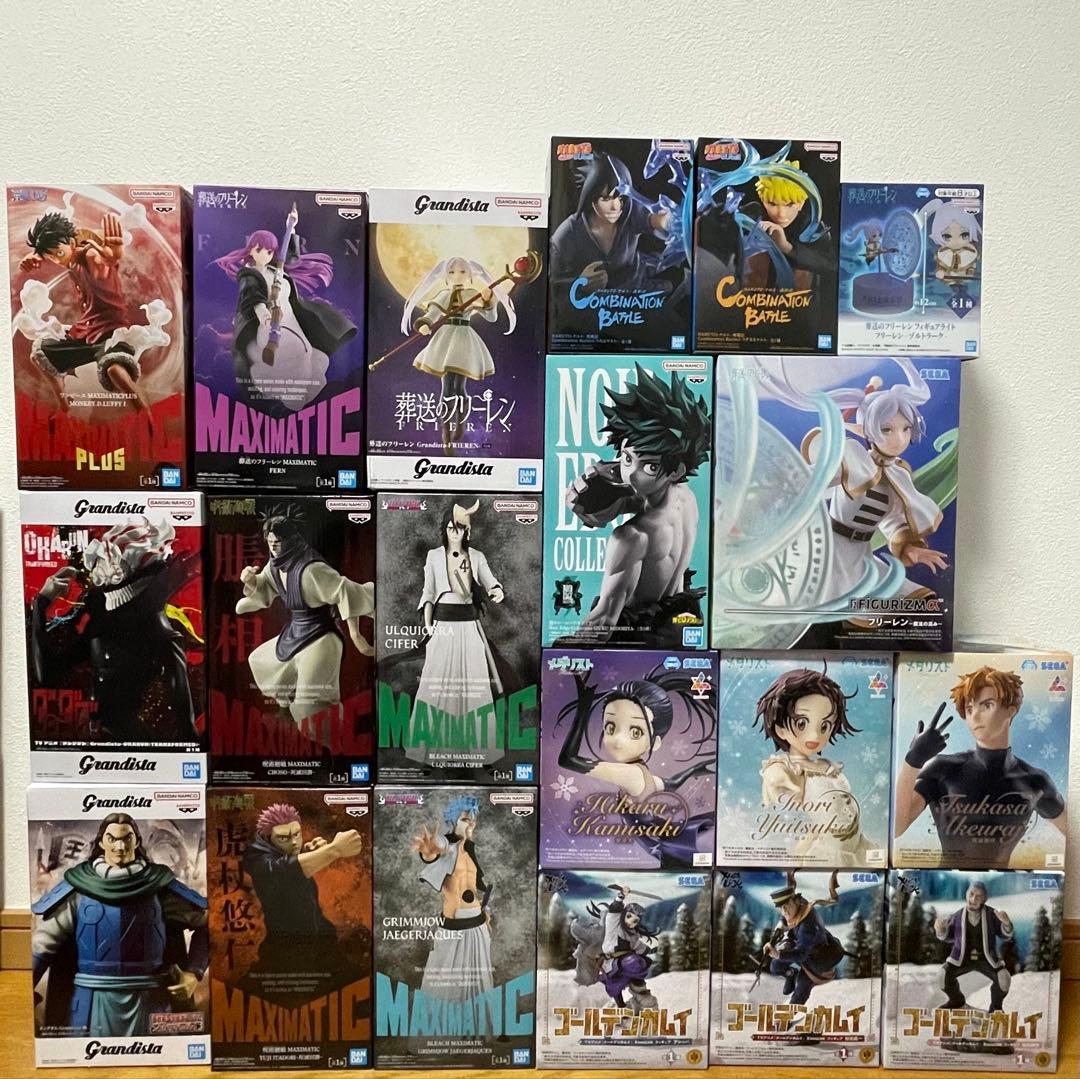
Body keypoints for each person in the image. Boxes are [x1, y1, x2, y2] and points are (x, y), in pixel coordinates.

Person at [563, 366, 711, 646]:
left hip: (637, 636)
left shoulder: (630, 538)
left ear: (676, 470)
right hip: (679, 622)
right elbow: (627, 501)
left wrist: (565, 653)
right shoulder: (686, 497)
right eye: (627, 458)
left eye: (650, 466)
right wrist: (594, 499)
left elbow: (604, 621)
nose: (631, 474)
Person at [31, 813, 207, 1037]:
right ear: (102, 842)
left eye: (126, 839)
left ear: (136, 841)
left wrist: (193, 973)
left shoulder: (160, 887)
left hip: (151, 998)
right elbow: (43, 945)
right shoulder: (77, 888)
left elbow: (207, 926)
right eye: (112, 839)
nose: (120, 846)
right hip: (91, 1001)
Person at [30, 516, 199, 741]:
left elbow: (186, 731)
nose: (94, 566)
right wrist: (41, 604)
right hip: (97, 742)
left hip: (134, 743)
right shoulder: (103, 620)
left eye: (103, 559)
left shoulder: (160, 635)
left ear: (122, 569)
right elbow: (47, 674)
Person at [893, 666, 1066, 866]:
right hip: (945, 880)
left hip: (1004, 881)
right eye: (969, 709)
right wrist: (913, 761)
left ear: (1010, 710)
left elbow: (1071, 832)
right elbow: (896, 828)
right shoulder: (943, 769)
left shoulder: (1035, 781)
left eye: (987, 705)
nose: (975, 716)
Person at [554, 667, 715, 866]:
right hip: (662, 838)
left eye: (636, 732)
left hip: (664, 840)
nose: (618, 740)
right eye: (610, 727)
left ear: (655, 742)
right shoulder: (641, 772)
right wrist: (693, 770)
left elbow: (567, 760)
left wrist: (583, 709)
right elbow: (670, 783)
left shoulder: (631, 774)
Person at [236, 504, 374, 733]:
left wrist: (356, 635)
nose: (273, 547)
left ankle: (334, 742)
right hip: (296, 630)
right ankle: (286, 709)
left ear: (291, 540)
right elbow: (265, 586)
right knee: (260, 661)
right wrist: (250, 581)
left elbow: (345, 591)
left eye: (278, 542)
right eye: (269, 542)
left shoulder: (311, 569)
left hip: (322, 636)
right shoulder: (275, 565)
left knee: (312, 703)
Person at [213, 205, 356, 412]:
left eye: (269, 251)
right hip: (266, 322)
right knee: (291, 355)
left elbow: (291, 258)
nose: (264, 255)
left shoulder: (275, 269)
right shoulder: (249, 274)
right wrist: (264, 315)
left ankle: (299, 396)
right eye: (259, 250)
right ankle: (283, 395)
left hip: (289, 318)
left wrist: (292, 227)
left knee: (307, 352)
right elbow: (252, 296)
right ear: (251, 249)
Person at [18, 210, 162, 411]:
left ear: (72, 243)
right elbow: (67, 240)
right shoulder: (70, 256)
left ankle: (146, 416)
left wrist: (112, 257)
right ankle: (64, 404)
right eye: (51, 256)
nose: (57, 260)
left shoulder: (91, 255)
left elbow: (102, 261)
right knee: (40, 354)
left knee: (115, 371)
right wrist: (36, 254)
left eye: (58, 253)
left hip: (111, 332)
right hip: (87, 334)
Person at [409, 501, 505, 764]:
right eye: (451, 527)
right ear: (445, 529)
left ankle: (479, 752)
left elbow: (490, 581)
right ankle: (428, 751)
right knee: (434, 682)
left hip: (469, 626)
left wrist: (496, 590)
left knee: (474, 684)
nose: (454, 532)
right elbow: (428, 593)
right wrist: (429, 625)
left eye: (459, 528)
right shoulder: (433, 556)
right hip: (443, 626)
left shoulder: (476, 557)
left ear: (467, 531)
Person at [241, 802, 363, 999]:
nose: (294, 843)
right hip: (286, 958)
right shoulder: (258, 860)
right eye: (283, 838)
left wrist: (310, 853)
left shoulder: (286, 853)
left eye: (297, 834)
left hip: (322, 949)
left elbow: (292, 873)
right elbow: (283, 870)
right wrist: (334, 850)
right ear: (268, 840)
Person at [754, 667, 874, 864]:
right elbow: (776, 772)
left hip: (857, 845)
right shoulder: (791, 767)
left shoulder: (825, 765)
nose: (815, 736)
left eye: (824, 726)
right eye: (801, 723)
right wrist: (774, 775)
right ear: (781, 729)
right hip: (830, 853)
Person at [399, 256, 516, 453]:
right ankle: (445, 433)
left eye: (462, 271)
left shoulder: (473, 294)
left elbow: (491, 317)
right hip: (446, 339)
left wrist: (488, 300)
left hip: (464, 340)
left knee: (459, 388)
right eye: (452, 272)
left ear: (470, 274)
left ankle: (460, 425)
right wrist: (425, 324)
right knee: (447, 389)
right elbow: (432, 314)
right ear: (446, 275)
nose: (457, 275)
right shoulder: (443, 294)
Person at [550, 151, 671, 297]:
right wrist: (580, 283)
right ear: (591, 197)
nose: (615, 207)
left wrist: (667, 221)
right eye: (606, 198)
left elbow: (653, 219)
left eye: (621, 199)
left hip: (633, 286)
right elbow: (553, 281)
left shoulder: (629, 211)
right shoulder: (569, 231)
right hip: (591, 301)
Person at [413, 796, 493, 1003]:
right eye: (465, 819)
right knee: (443, 991)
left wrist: (485, 911)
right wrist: (428, 853)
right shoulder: (448, 846)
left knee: (480, 988)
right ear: (453, 822)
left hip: (478, 924)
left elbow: (472, 888)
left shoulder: (470, 851)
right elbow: (435, 850)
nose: (471, 823)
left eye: (473, 819)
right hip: (453, 927)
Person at [569, 884, 659, 1014]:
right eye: (629, 916)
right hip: (613, 963)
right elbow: (614, 911)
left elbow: (639, 946)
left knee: (638, 964)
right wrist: (621, 896)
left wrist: (651, 951)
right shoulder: (614, 926)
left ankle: (641, 995)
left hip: (627, 962)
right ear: (623, 915)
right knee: (616, 985)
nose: (630, 922)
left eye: (635, 921)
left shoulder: (632, 934)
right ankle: (621, 1007)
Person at [762, 872, 845, 1006]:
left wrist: (778, 954)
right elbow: (786, 915)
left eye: (787, 905)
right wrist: (781, 925)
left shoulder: (807, 926)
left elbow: (801, 955)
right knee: (775, 966)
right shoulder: (800, 905)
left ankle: (789, 1015)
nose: (785, 911)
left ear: (795, 902)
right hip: (804, 948)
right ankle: (791, 974)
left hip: (818, 962)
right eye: (781, 908)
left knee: (800, 991)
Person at [933, 881, 1013, 1011]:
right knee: (942, 976)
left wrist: (1006, 924)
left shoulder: (992, 915)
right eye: (971, 894)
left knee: (1004, 979)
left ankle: (996, 1009)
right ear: (966, 894)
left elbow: (1005, 935)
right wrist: (940, 929)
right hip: (961, 958)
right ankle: (956, 1001)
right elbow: (948, 937)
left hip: (987, 959)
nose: (973, 899)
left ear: (984, 899)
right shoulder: (957, 916)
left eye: (979, 896)